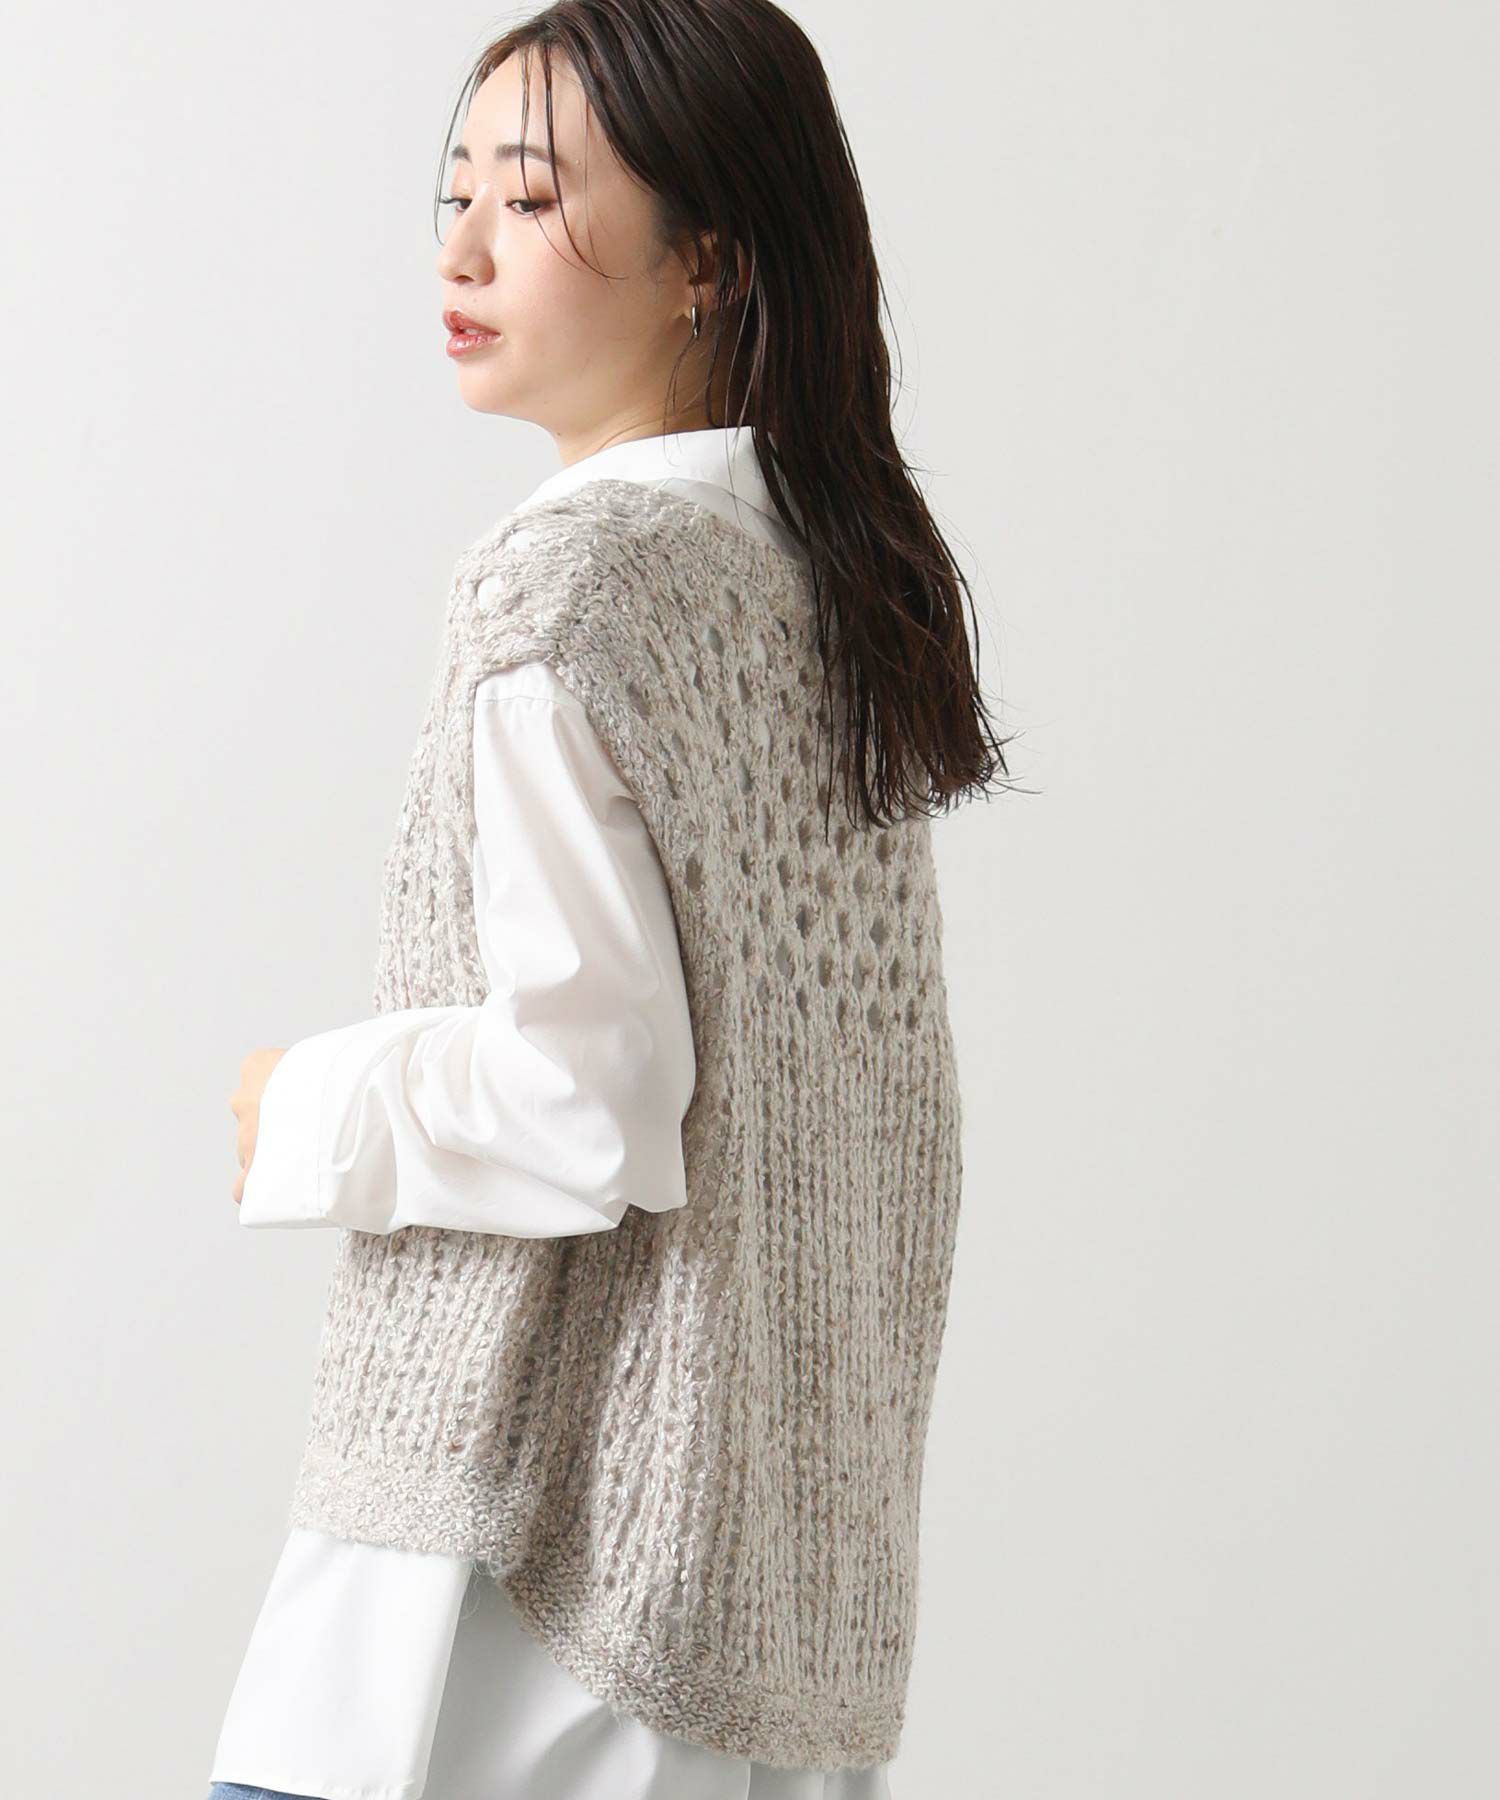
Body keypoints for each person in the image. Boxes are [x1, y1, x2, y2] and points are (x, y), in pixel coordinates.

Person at [214, 3, 1011, 1796]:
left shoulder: (570, 589)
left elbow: (588, 1100)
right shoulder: (825, 600)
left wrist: (306, 1104)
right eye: (456, 193)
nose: (462, 249)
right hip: (764, 1617)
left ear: (704, 262)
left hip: (503, 1615)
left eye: (531, 197)